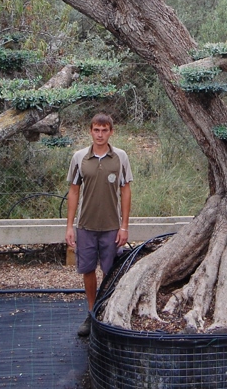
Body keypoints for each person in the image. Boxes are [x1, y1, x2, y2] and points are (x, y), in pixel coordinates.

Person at [65, 113, 133, 337]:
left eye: (104, 130)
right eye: (96, 130)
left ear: (111, 132)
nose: (100, 134)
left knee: (110, 270)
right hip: (86, 226)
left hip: (112, 226)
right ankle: (92, 312)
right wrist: (70, 226)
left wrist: (124, 226)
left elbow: (126, 191)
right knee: (87, 270)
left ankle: (108, 312)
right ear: (90, 131)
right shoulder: (79, 158)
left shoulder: (120, 157)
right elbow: (74, 192)